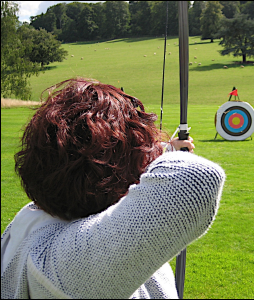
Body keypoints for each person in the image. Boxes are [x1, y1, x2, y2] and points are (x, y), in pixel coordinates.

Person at [1, 77, 225, 299]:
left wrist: (155, 152)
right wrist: (154, 154)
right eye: (141, 154)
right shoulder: (65, 266)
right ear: (114, 171)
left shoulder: (31, 219)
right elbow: (197, 179)